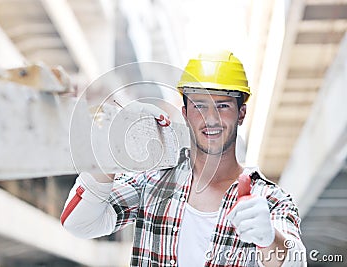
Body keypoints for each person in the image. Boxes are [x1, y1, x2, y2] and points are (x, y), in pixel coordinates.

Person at [61, 50, 306, 266]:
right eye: (199, 106)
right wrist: (112, 153)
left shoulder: (270, 199)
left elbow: (295, 260)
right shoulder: (154, 182)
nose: (211, 118)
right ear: (185, 113)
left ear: (241, 113)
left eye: (222, 106)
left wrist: (269, 239)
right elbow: (79, 223)